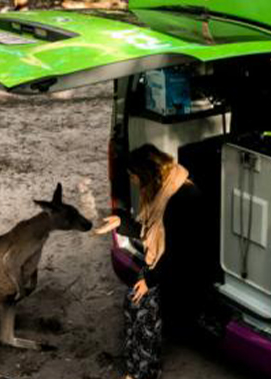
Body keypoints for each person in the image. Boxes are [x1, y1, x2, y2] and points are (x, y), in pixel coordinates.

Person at [95, 144, 195, 379]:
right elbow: (147, 230)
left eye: (133, 176)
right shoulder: (161, 192)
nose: (132, 181)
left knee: (144, 311)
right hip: (162, 264)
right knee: (132, 302)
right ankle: (135, 368)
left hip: (181, 269)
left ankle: (143, 373)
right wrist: (122, 222)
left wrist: (149, 280)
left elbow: (179, 252)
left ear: (146, 173)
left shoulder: (182, 197)